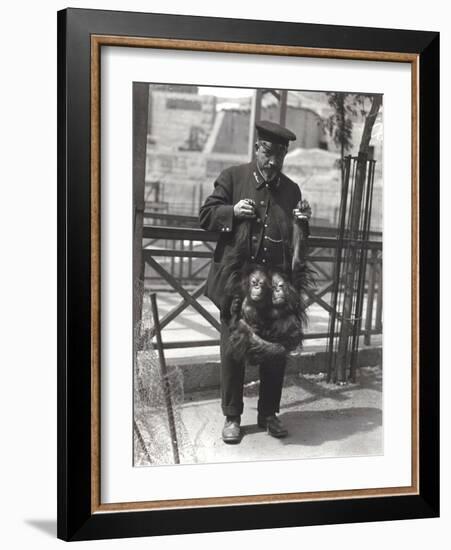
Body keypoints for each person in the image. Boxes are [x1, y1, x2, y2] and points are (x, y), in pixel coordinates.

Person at [199, 120, 311, 444]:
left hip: (273, 289)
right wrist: (231, 211)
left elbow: (297, 242)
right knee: (233, 351)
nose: (273, 161)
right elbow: (205, 215)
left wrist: (303, 224)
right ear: (257, 148)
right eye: (268, 153)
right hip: (236, 286)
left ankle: (268, 414)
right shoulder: (233, 177)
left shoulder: (292, 190)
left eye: (279, 156)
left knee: (275, 352)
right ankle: (232, 417)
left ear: (285, 156)